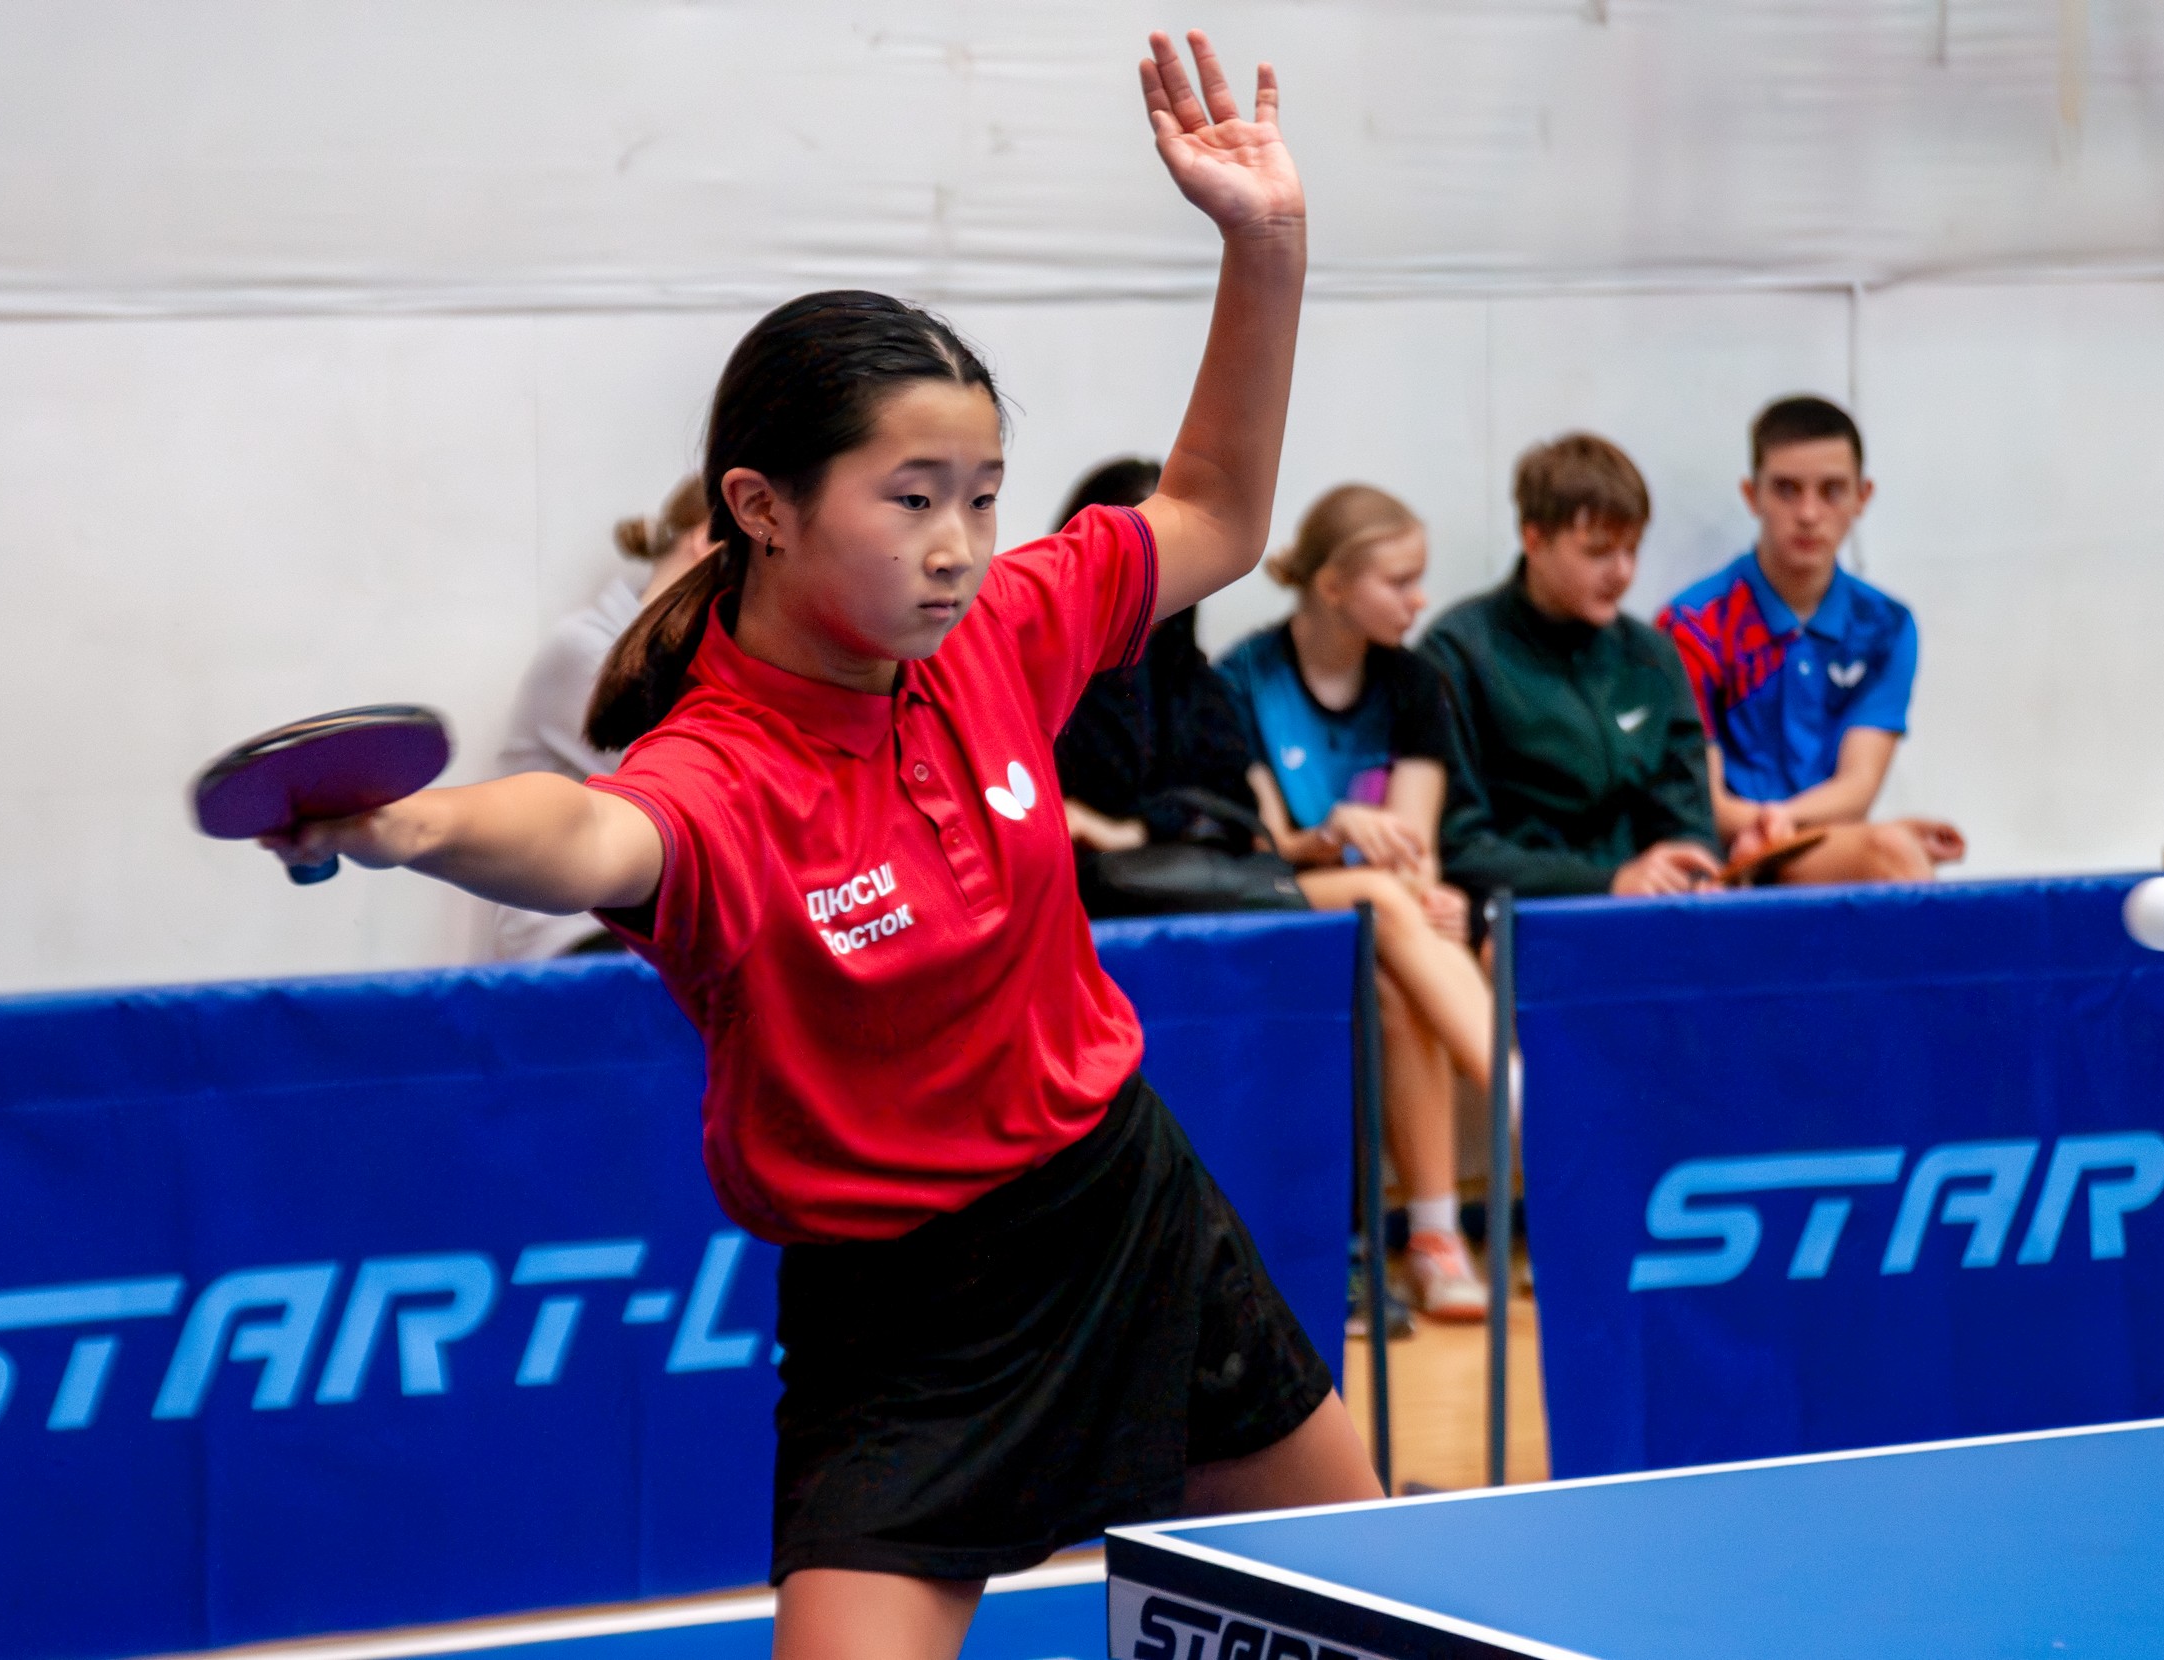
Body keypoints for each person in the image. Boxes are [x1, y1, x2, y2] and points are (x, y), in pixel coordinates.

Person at [256, 34, 1376, 1660]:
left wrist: (1264, 245)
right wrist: (416, 824)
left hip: (1118, 1211)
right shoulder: (721, 770)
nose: (959, 546)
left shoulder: (1000, 632)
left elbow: (1211, 512)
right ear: (762, 506)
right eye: (911, 497)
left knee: (1367, 1604)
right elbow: (586, 834)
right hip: (901, 1313)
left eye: (982, 495)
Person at [1215, 484, 1493, 1321]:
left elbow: (1416, 846)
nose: (1419, 601)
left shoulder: (1414, 681)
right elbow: (1265, 845)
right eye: (1399, 582)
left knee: (1395, 983)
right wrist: (1337, 832)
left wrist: (1428, 896)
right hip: (1285, 896)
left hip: (1385, 918)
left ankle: (1434, 1240)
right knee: (1378, 894)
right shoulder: (1246, 677)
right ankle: (1524, 1091)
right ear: (1333, 585)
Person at [1654, 396, 1966, 884]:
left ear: (1863, 496)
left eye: (1831, 490)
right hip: (1719, 860)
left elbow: (1858, 787)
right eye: (1786, 489)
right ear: (1751, 494)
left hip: (1820, 843)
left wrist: (1783, 826)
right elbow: (1706, 803)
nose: (1808, 513)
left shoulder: (1886, 626)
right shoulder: (1691, 625)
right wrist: (1779, 831)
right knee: (1893, 852)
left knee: (1895, 852)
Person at [1423, 435, 1724, 898]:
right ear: (1534, 540)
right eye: (1598, 552)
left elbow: (1689, 818)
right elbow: (1461, 848)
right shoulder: (1458, 653)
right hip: (1528, 912)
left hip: (1650, 904)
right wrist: (1609, 883)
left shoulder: (1652, 656)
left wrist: (1694, 867)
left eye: (1632, 550)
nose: (1622, 572)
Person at [492, 476, 714, 957]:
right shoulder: (587, 650)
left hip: (640, 921)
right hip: (573, 933)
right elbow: (695, 802)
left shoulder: (698, 658)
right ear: (706, 540)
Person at [1050, 456, 1264, 913]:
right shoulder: (1041, 665)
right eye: (1137, 553)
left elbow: (1239, 814)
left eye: (1173, 556)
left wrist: (1136, 831)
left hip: (1185, 893)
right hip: (1074, 897)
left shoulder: (1190, 675)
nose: (1155, 573)